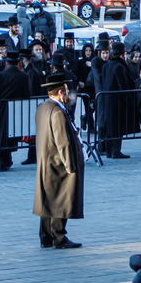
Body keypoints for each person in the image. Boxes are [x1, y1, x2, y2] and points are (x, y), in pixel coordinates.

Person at [33, 73, 85, 249]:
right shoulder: (58, 113)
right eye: (67, 91)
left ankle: (45, 236)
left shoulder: (43, 107)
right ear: (60, 92)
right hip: (58, 163)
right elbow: (63, 142)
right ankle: (58, 236)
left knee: (47, 201)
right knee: (60, 200)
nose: (69, 94)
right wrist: (70, 165)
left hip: (46, 160)